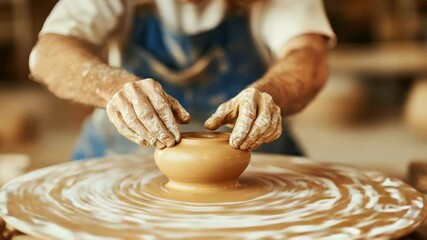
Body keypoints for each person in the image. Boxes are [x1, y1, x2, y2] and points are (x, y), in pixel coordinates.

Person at [29, 0, 335, 160]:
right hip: (120, 150)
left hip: (252, 157)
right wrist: (112, 87)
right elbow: (49, 54)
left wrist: (269, 94)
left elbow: (308, 54)